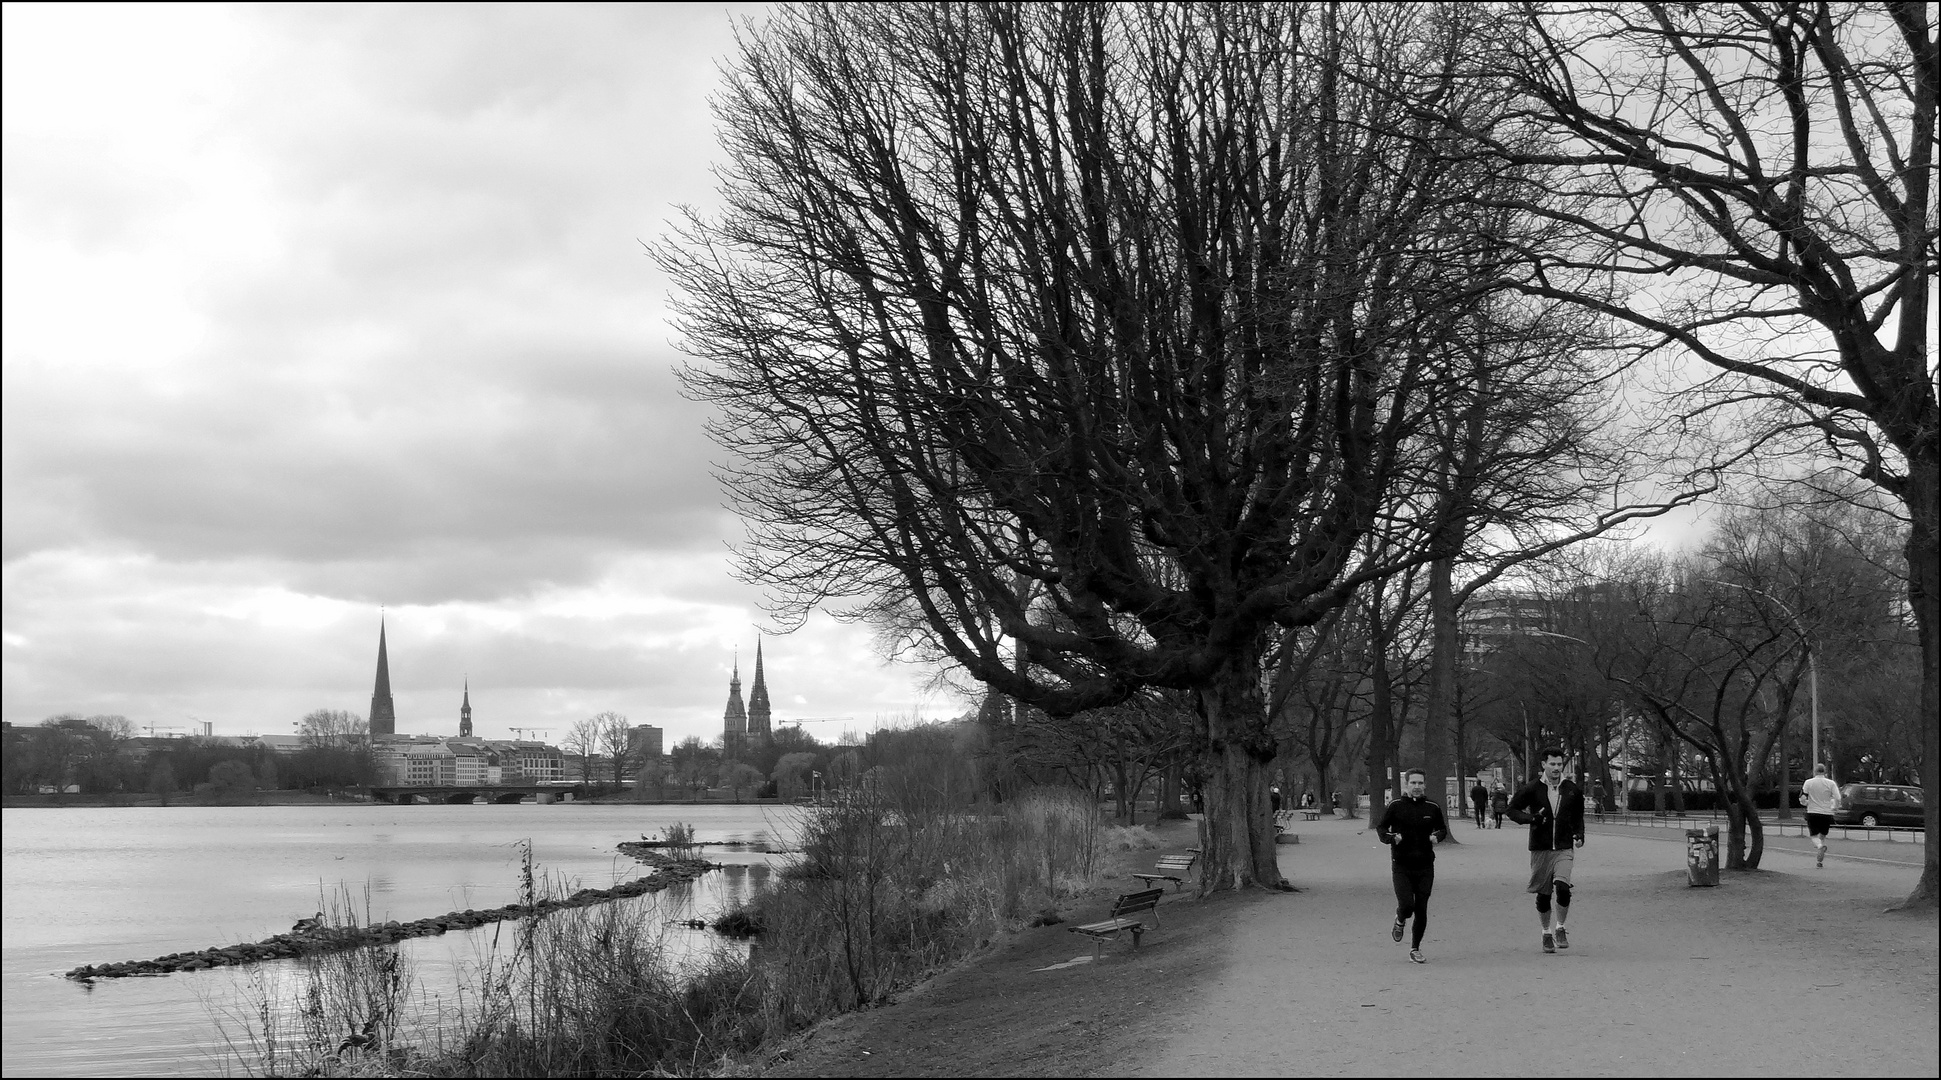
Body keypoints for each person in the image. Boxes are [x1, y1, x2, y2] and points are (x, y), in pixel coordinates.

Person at [1506, 748, 1585, 954]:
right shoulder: (1532, 788)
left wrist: (1579, 834)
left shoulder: (1571, 789)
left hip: (1563, 847)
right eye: (1552, 764)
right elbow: (1511, 810)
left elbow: (1578, 815)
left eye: (1559, 764)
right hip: (1540, 848)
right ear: (1543, 765)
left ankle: (1560, 927)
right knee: (1543, 894)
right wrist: (1531, 819)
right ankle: (1546, 932)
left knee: (1563, 887)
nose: (1557, 768)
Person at [1377, 768, 1449, 964]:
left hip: (1425, 865)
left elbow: (1442, 829)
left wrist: (1438, 836)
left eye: (1420, 783)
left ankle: (1415, 948)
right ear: (1406, 785)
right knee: (1407, 906)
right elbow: (1381, 828)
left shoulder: (1432, 807)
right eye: (1413, 783)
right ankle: (1400, 919)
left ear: (1424, 785)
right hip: (1402, 865)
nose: (1416, 787)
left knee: (1421, 908)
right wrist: (1391, 837)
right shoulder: (1396, 806)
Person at [1800, 763, 1840, 868]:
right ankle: (1820, 860)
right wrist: (1835, 807)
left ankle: (1820, 846)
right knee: (1823, 834)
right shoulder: (1831, 783)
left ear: (1814, 771)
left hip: (1813, 811)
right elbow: (1838, 797)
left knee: (1813, 835)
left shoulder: (1808, 783)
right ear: (1825, 771)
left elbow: (1803, 797)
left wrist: (1805, 803)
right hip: (1826, 813)